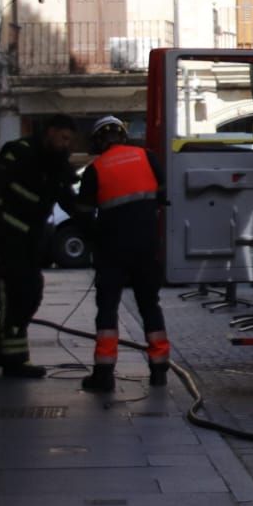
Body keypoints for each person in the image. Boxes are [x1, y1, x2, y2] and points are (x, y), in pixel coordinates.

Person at [0, 114, 80, 378]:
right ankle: (12, 361)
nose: (66, 144)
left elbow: (70, 202)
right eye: (63, 138)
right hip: (6, 242)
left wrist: (96, 230)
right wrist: (2, 227)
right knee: (14, 297)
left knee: (30, 294)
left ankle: (2, 352)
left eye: (70, 140)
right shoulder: (17, 152)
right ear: (50, 132)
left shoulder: (56, 166)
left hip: (30, 243)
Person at [74, 116, 171, 392]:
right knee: (149, 304)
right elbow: (163, 195)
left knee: (108, 308)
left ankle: (104, 374)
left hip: (112, 249)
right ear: (123, 137)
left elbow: (82, 215)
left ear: (98, 141)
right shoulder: (147, 157)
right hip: (147, 246)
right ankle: (159, 369)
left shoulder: (95, 170)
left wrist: (97, 236)